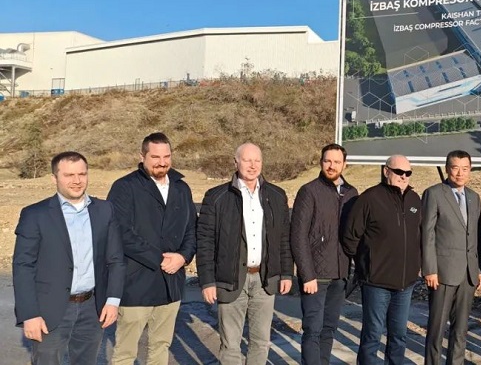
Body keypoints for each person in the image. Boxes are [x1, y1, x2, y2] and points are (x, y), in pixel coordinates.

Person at [13, 152, 125, 365]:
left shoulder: (104, 210)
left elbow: (116, 259)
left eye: (82, 174)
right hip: (49, 310)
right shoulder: (35, 215)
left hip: (92, 308)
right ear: (54, 178)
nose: (77, 180)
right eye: (69, 175)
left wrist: (112, 300)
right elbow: (23, 267)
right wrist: (29, 314)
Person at [196, 142, 293, 364]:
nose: (252, 165)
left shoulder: (276, 196)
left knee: (261, 342)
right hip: (229, 280)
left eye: (257, 160)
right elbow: (205, 242)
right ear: (236, 162)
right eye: (247, 160)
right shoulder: (216, 196)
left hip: (264, 279)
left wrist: (287, 273)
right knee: (230, 344)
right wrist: (207, 281)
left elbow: (283, 239)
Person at [108, 132, 197, 365]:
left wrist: (183, 257)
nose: (162, 162)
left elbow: (192, 229)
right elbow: (121, 232)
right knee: (125, 352)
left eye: (166, 156)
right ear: (142, 156)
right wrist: (160, 259)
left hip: (171, 283)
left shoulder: (181, 188)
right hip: (137, 283)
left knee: (160, 346)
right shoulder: (125, 187)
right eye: (155, 157)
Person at [341, 155, 422, 365]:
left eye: (408, 173)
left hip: (405, 284)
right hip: (376, 283)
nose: (403, 177)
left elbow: (420, 236)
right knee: (372, 334)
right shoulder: (369, 198)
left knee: (399, 335)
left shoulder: (414, 200)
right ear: (386, 171)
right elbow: (350, 237)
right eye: (399, 172)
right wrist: (366, 263)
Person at [290, 143, 358, 365]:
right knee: (313, 329)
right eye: (327, 161)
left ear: (344, 165)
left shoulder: (351, 193)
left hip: (340, 274)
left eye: (337, 162)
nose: (331, 166)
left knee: (329, 329)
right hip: (315, 276)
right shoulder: (309, 191)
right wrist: (307, 274)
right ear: (321, 162)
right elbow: (298, 235)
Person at [422, 150, 481, 365]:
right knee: (437, 329)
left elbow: (477, 236)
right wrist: (430, 269)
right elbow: (427, 233)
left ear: (470, 170)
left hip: (468, 274)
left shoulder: (474, 197)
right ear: (448, 168)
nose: (460, 173)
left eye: (465, 169)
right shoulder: (434, 193)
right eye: (456, 168)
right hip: (442, 273)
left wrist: (479, 268)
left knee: (460, 330)